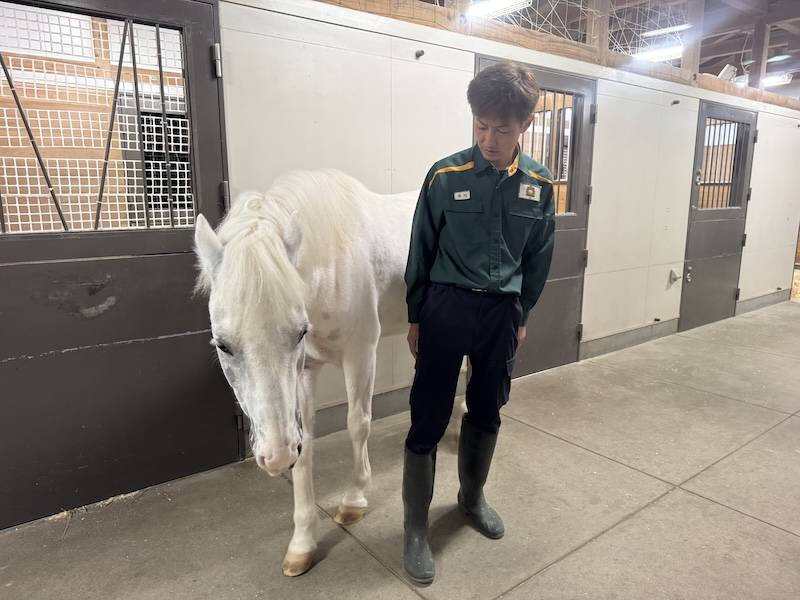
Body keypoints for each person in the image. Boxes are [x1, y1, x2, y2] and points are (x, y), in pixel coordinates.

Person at [402, 60, 556, 585]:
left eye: (502, 129)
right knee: (427, 416)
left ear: (525, 126)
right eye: (481, 126)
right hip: (445, 307)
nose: (489, 140)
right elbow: (421, 248)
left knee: (488, 409)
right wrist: (417, 313)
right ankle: (416, 528)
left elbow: (539, 256)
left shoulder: (538, 184)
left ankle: (472, 497)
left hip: (500, 314)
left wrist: (522, 313)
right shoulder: (445, 176)